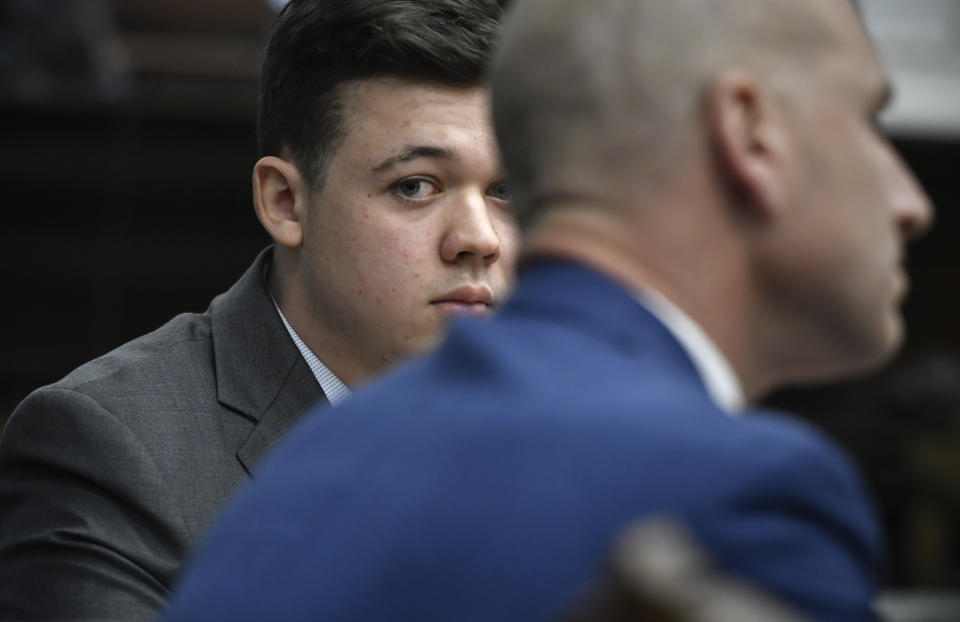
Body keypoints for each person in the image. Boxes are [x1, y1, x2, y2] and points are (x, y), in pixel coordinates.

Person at [161, 0, 932, 620]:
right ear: (749, 133)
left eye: (501, 190)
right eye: (868, 118)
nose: (912, 202)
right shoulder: (741, 492)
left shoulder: (310, 465)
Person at [0, 1, 516, 619]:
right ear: (285, 203)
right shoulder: (111, 449)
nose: (480, 238)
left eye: (506, 190)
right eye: (416, 186)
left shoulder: (577, 423)